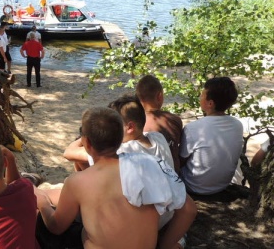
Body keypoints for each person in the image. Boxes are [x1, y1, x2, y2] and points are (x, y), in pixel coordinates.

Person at [36, 107, 189, 249]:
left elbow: (56, 227)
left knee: (41, 222)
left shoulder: (77, 182)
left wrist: (43, 203)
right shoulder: (150, 163)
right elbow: (188, 210)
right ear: (120, 138)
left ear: (87, 143)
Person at [180, 76, 243, 195]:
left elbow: (181, 159)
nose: (200, 97)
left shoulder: (193, 128)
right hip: (222, 185)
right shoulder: (237, 125)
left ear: (210, 103)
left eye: (202, 95)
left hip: (193, 186)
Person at [136, 75, 183, 173]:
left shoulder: (135, 125)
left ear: (138, 98)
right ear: (160, 96)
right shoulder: (174, 120)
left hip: (148, 174)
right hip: (174, 175)